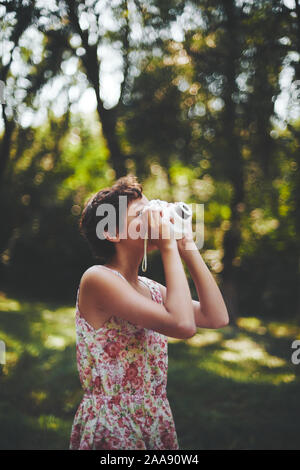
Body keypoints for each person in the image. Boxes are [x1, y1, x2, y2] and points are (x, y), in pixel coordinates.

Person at [69, 174, 229, 450]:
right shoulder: (97, 279)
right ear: (112, 232)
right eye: (141, 213)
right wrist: (168, 246)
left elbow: (216, 317)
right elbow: (183, 326)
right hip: (114, 425)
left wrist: (186, 246)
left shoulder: (149, 289)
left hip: (154, 420)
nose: (154, 217)